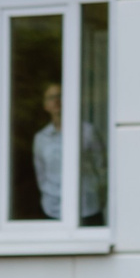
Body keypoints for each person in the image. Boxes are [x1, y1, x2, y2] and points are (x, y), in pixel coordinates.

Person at [33, 82, 103, 224]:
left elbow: (101, 167)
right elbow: (41, 174)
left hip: (87, 207)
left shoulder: (88, 132)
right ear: (45, 106)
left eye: (60, 96)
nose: (56, 100)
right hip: (53, 210)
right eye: (51, 97)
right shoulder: (41, 138)